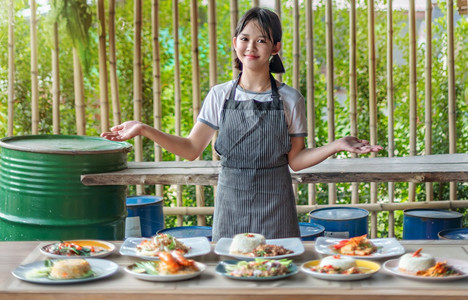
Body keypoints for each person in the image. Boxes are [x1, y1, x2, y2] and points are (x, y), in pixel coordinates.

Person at [101, 7, 382, 241]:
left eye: (261, 40)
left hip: (277, 203)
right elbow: (190, 149)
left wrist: (337, 145)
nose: (251, 46)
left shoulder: (290, 98)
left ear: (275, 48)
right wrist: (144, 128)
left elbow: (295, 161)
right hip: (231, 202)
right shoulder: (220, 95)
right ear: (235, 42)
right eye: (245, 38)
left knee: (279, 272)